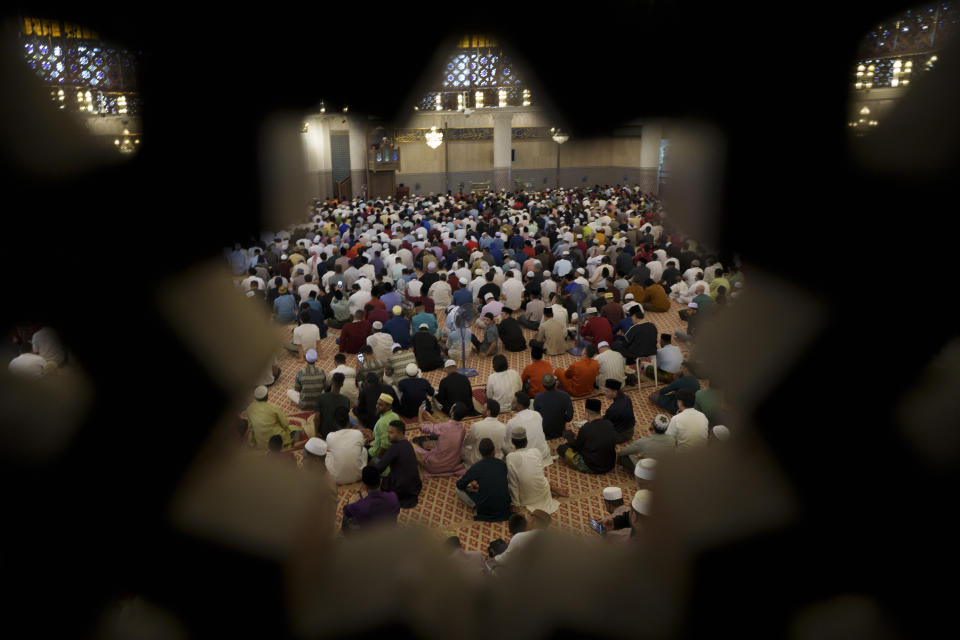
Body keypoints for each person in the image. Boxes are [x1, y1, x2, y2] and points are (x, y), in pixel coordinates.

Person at [505, 426, 562, 514]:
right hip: (543, 494)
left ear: (512, 442)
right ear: (527, 441)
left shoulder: (510, 457)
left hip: (526, 499)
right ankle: (552, 488)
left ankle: (552, 488)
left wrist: (515, 504)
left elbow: (513, 484)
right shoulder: (536, 452)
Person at [455, 437, 512, 522]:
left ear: (480, 453)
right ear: (494, 451)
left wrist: (471, 487)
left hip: (486, 509)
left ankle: (475, 505)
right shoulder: (502, 464)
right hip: (505, 507)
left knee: (458, 490)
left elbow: (459, 484)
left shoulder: (477, 467)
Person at [556, 397, 617, 474]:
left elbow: (577, 448)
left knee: (561, 449)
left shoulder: (586, 428)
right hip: (610, 464)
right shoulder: (609, 423)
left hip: (593, 467)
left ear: (587, 414)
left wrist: (568, 443)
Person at [375, 420, 423, 508]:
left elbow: (379, 468)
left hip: (401, 490)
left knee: (382, 481)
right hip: (415, 487)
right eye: (388, 432)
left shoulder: (394, 448)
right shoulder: (408, 444)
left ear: (400, 433)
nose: (388, 435)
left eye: (391, 433)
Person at [413, 402, 467, 478]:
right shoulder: (463, 430)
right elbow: (446, 428)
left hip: (435, 465)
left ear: (452, 412)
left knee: (412, 446)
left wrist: (419, 412)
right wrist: (431, 418)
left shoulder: (444, 427)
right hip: (452, 465)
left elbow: (422, 427)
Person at [342, 465, 400, 533]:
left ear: (364, 485)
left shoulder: (359, 506)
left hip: (370, 539)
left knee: (346, 521)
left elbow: (346, 511)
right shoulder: (393, 497)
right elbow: (397, 512)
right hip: (388, 533)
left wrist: (351, 502)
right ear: (380, 481)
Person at [503, 391, 552, 464]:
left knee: (503, 444)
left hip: (526, 459)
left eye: (514, 402)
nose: (511, 404)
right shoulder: (537, 414)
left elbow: (507, 443)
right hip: (543, 453)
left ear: (519, 406)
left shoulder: (512, 422)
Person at [246, 385, 294, 450]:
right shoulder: (274, 408)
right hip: (275, 442)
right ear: (267, 396)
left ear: (255, 398)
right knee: (295, 429)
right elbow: (285, 424)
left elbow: (251, 428)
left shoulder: (249, 408)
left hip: (261, 443)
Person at [461, 399, 507, 466]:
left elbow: (467, 442)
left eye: (483, 408)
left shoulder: (477, 426)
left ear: (488, 412)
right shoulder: (504, 427)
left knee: (462, 447)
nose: (482, 410)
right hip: (497, 460)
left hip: (477, 461)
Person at [324, 420, 368, 485]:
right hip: (359, 475)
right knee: (364, 450)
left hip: (335, 478)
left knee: (327, 453)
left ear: (335, 423)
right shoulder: (358, 433)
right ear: (348, 422)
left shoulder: (330, 436)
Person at [533, 373, 574, 439]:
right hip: (560, 429)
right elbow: (570, 416)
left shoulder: (538, 397)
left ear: (543, 385)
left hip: (545, 430)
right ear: (555, 383)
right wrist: (562, 419)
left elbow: (537, 416)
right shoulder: (565, 396)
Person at [312, 372, 352, 438]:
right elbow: (346, 420)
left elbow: (316, 418)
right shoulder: (346, 400)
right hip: (339, 434)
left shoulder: (321, 398)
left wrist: (316, 433)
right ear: (342, 384)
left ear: (331, 382)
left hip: (324, 435)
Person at [367, 393, 401, 460]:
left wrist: (379, 459)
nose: (377, 406)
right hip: (394, 450)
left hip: (376, 453)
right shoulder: (395, 415)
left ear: (388, 407)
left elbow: (385, 444)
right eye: (377, 403)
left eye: (380, 405)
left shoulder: (382, 422)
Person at [601, 379, 635, 443]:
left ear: (615, 392)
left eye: (607, 391)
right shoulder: (627, 397)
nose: (605, 393)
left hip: (621, 435)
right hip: (631, 430)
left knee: (595, 430)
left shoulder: (613, 408)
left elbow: (605, 423)